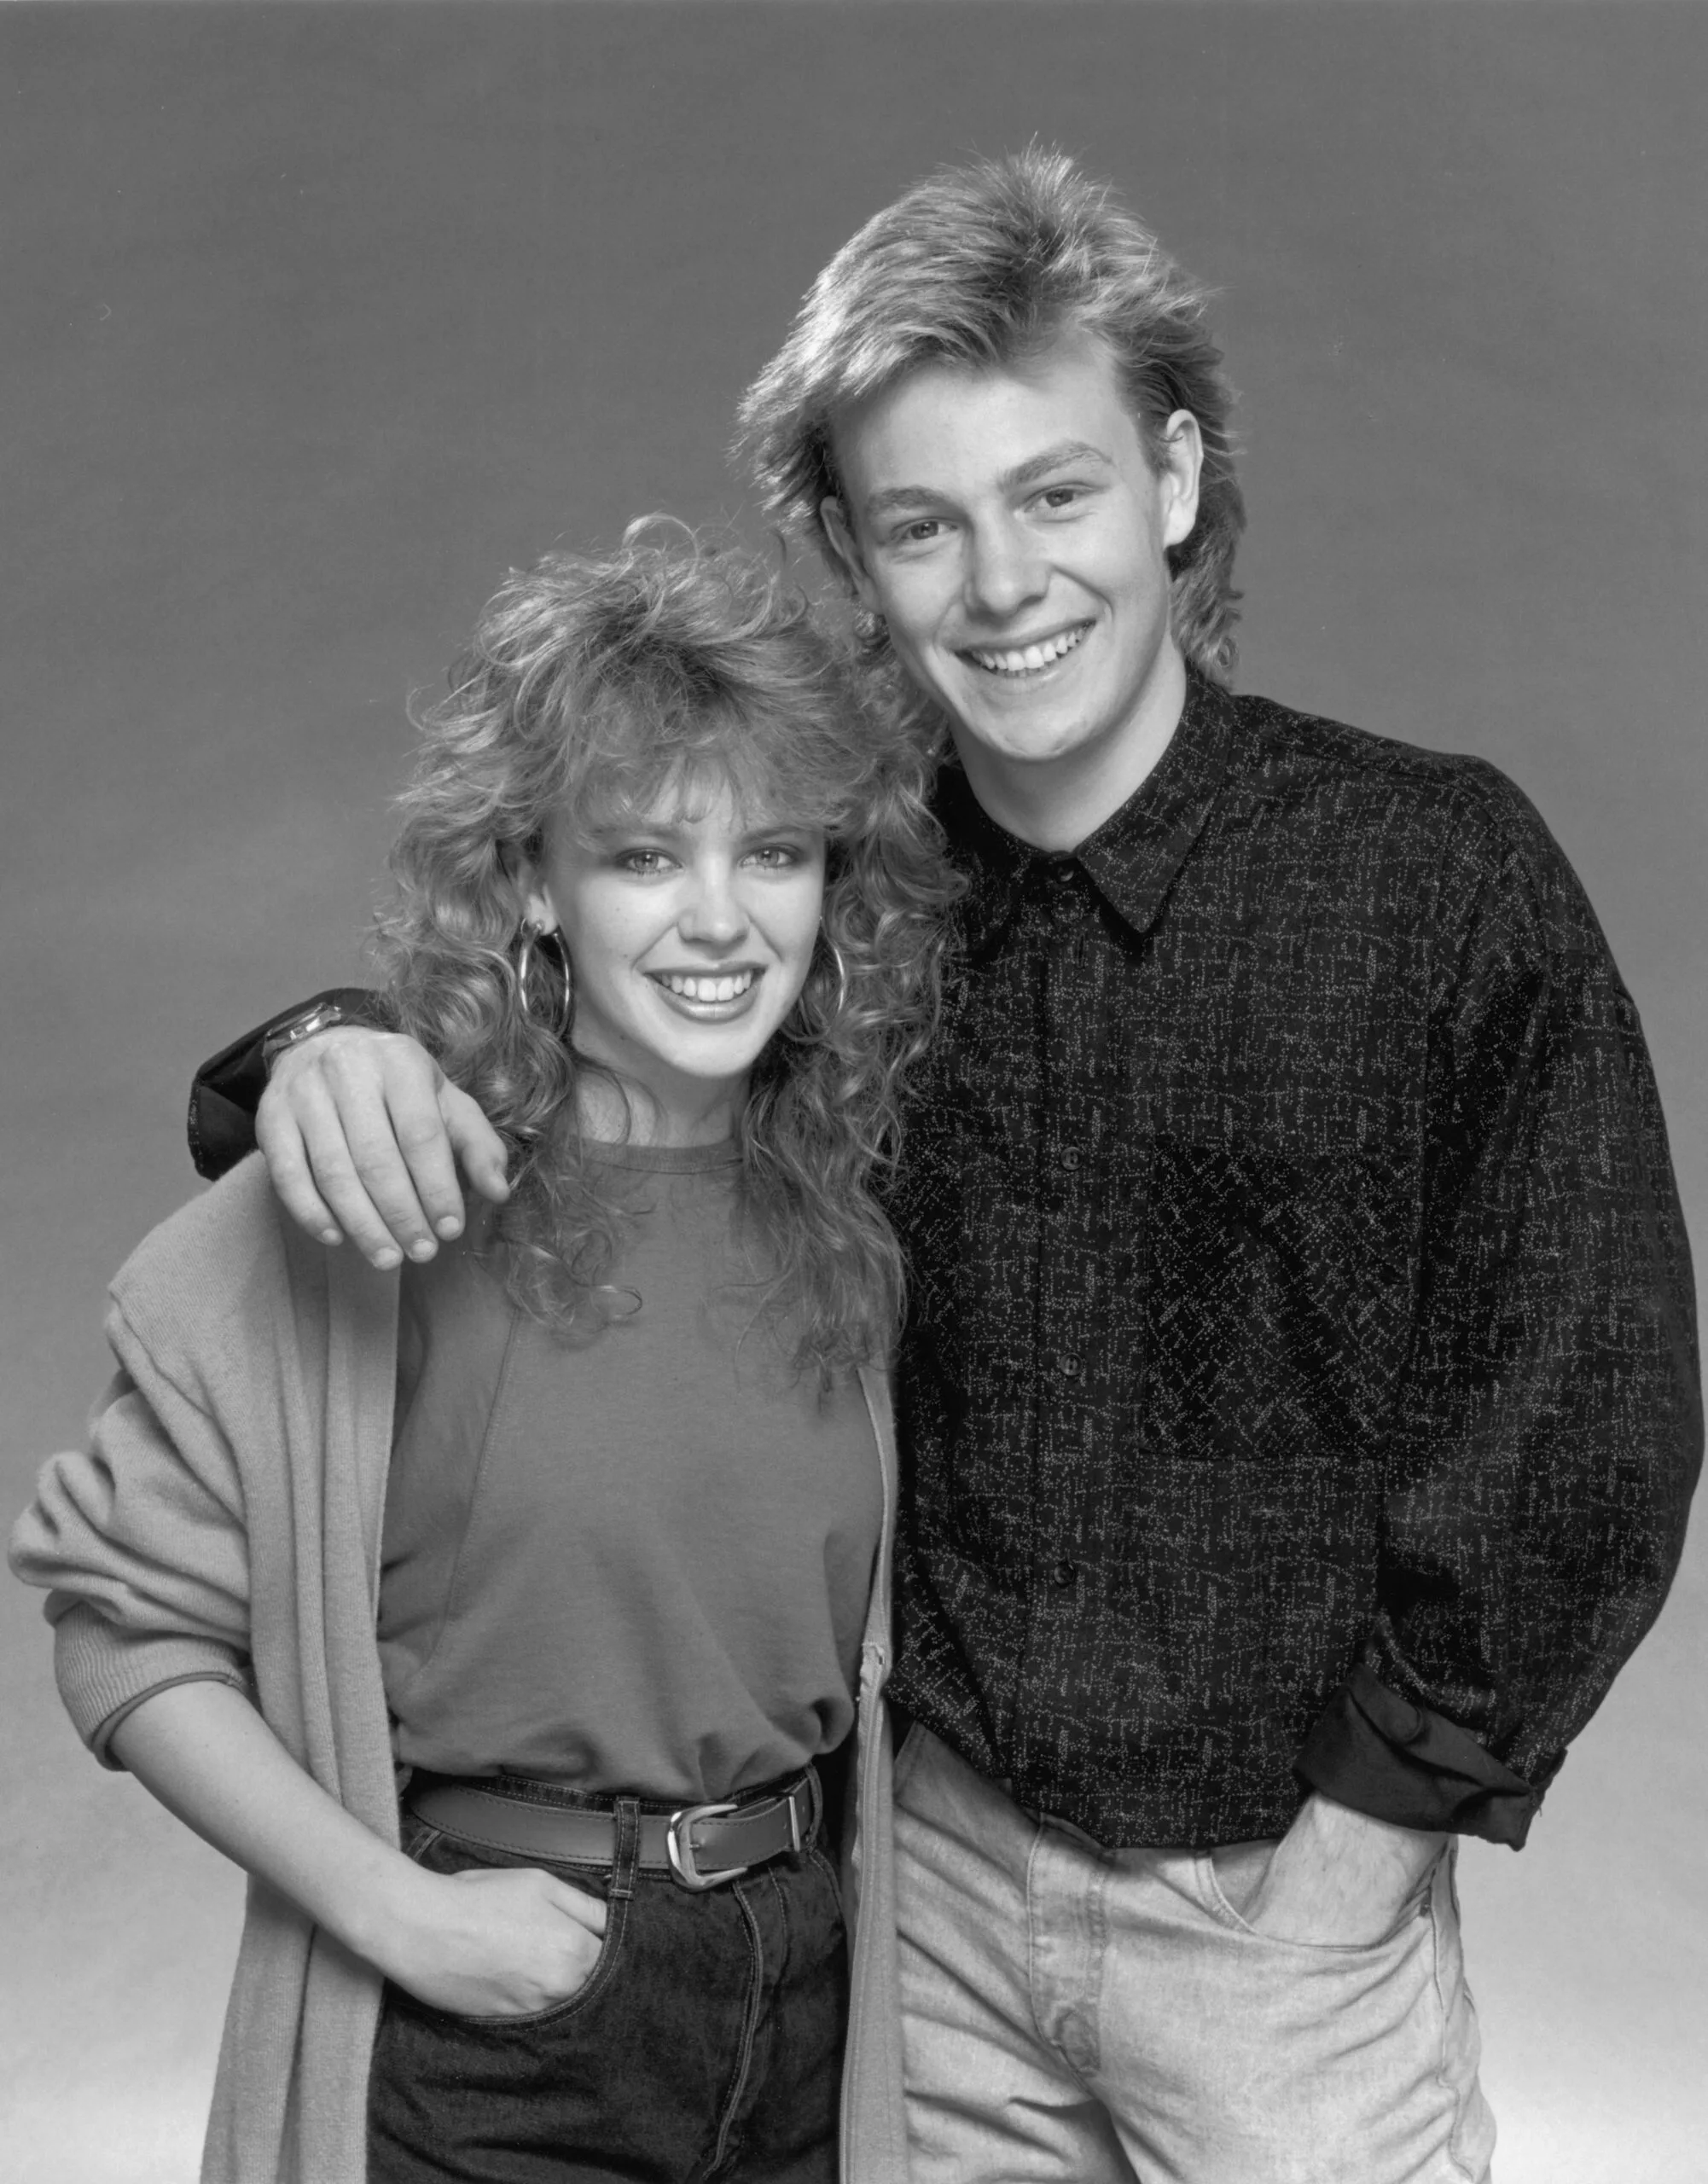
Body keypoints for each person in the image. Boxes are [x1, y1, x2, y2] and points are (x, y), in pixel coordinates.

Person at [175, 153, 1700, 2184]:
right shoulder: (836, 901)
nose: (999, 586)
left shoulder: (1428, 871)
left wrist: (1369, 1831)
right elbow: (550, 1055)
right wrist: (311, 1050)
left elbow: (1588, 1391)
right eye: (922, 525)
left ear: (1167, 484)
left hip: (1279, 1929)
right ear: (852, 559)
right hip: (923, 1912)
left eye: (1052, 495)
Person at [12, 527, 961, 2184]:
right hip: (498, 2025)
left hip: (803, 1988)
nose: (724, 919)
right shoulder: (385, 1188)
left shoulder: (850, 1210)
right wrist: (401, 1917)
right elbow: (120, 1627)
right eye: (648, 857)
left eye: (779, 852)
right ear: (533, 878)